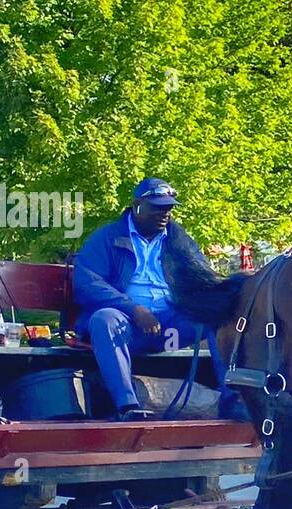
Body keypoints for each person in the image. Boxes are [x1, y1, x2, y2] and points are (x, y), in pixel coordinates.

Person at [72, 178, 246, 421]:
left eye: (168, 208)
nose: (165, 213)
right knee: (104, 319)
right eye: (157, 207)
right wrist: (133, 309)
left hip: (171, 322)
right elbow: (87, 282)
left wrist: (234, 287)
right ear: (137, 206)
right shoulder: (108, 237)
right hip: (127, 325)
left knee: (215, 316)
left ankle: (232, 400)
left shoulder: (178, 239)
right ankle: (128, 405)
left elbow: (203, 275)